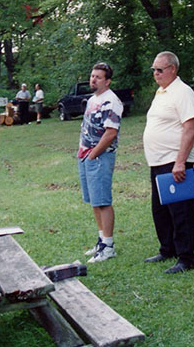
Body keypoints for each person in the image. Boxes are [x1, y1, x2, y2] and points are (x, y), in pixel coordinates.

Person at [142, 51, 194, 274]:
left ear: (172, 69)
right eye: (153, 70)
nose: (155, 73)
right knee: (160, 209)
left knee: (181, 210)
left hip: (176, 162)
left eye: (159, 69)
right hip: (158, 162)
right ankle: (168, 249)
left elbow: (191, 127)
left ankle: (187, 257)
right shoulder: (161, 92)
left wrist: (180, 162)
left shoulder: (183, 92)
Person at [78, 62, 124, 263]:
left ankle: (109, 246)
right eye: (92, 75)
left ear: (107, 81)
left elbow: (111, 133)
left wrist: (94, 154)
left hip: (99, 157)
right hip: (85, 155)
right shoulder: (92, 100)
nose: (93, 79)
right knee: (94, 201)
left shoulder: (111, 101)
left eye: (98, 77)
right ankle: (101, 239)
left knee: (103, 201)